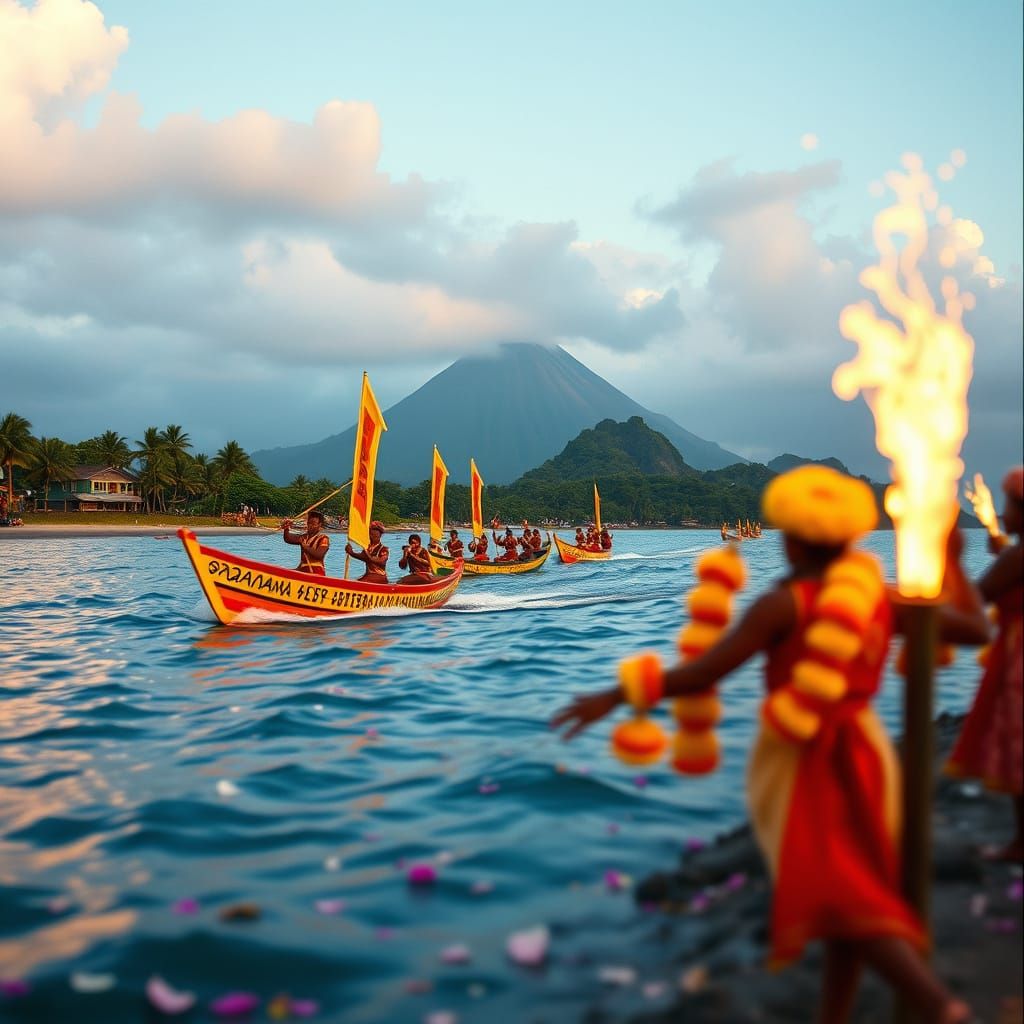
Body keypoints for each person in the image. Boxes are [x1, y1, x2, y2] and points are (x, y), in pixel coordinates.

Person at [551, 466, 986, 1024]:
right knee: (844, 900)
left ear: (798, 538)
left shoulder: (787, 604)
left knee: (843, 895)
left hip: (810, 758)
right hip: (865, 754)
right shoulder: (877, 597)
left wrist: (616, 695)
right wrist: (954, 557)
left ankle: (940, 1007)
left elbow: (706, 672)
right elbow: (975, 630)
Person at [946, 465, 1024, 862]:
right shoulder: (1015, 555)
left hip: (1018, 660)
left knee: (1017, 741)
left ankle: (1019, 843)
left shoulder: (1017, 557)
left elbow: (981, 594)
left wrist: (952, 561)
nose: (1005, 515)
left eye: (1009, 508)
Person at [282, 509, 330, 574]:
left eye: (313, 524)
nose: (310, 526)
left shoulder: (323, 539)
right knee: (282, 572)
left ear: (319, 525)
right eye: (309, 523)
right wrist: (286, 528)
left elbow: (319, 555)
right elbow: (288, 539)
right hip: (302, 570)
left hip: (316, 572)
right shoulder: (304, 537)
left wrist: (305, 546)